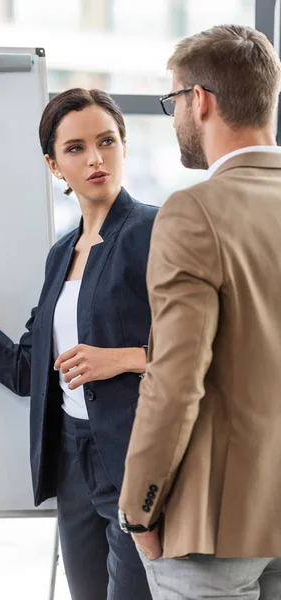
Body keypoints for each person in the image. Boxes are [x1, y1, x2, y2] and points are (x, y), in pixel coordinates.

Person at [0, 88, 157, 600]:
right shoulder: (61, 252)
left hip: (135, 460)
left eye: (107, 141)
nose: (95, 158)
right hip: (72, 460)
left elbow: (214, 348)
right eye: (75, 148)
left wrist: (125, 359)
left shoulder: (157, 230)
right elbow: (25, 370)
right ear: (53, 164)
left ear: (124, 146)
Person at [118, 24, 281, 600]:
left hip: (211, 527)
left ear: (202, 100)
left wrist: (139, 512)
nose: (175, 119)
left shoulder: (194, 211)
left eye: (174, 102)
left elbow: (176, 380)